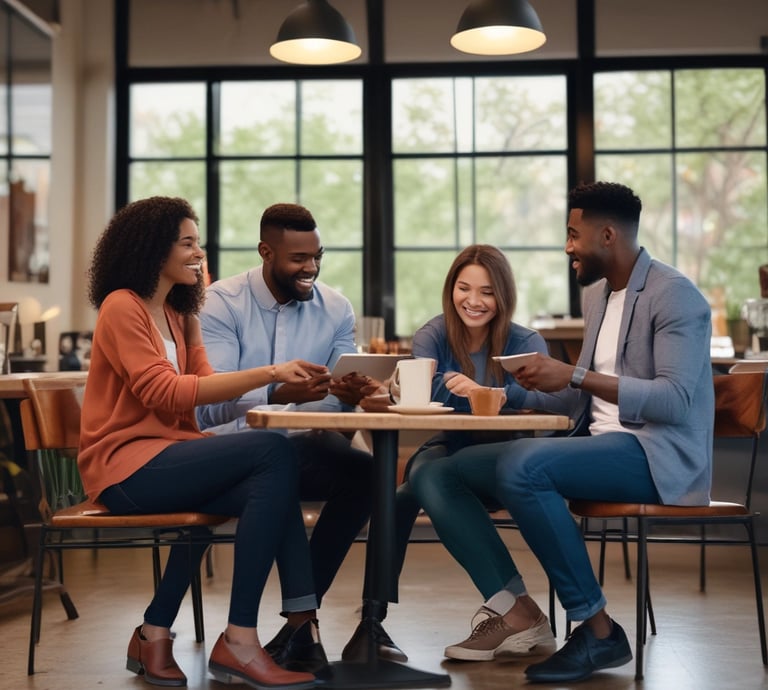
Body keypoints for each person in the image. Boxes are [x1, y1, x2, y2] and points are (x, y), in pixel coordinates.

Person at [79, 196, 327, 689]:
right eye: (188, 243)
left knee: (270, 485)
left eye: (200, 243)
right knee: (273, 452)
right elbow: (164, 393)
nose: (199, 253)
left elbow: (206, 397)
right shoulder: (120, 307)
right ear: (154, 250)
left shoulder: (180, 312)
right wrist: (270, 372)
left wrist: (279, 391)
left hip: (169, 456)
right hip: (125, 469)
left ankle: (158, 633)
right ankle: (242, 640)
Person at [485, 181, 714, 683]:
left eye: (573, 234)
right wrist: (514, 391)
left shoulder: (676, 296)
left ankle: (599, 631)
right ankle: (522, 609)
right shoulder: (598, 298)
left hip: (658, 456)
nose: (567, 245)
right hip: (601, 444)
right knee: (466, 466)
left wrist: (570, 373)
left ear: (607, 234)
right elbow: (581, 398)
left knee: (522, 466)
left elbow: (675, 401)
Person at [196, 202, 405, 670]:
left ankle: (299, 624)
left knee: (370, 474)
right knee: (277, 461)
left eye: (317, 256)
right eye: (298, 259)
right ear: (266, 252)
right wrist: (276, 389)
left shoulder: (336, 308)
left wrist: (350, 394)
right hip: (231, 452)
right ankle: (300, 623)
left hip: (301, 446)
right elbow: (208, 405)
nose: (310, 267)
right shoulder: (220, 304)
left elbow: (331, 408)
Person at [382, 244, 557, 661]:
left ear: (503, 296)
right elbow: (422, 387)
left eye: (487, 292)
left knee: (420, 483)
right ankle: (375, 620)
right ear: (451, 289)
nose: (473, 301)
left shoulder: (525, 342)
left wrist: (491, 393)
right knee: (404, 493)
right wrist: (480, 393)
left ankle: (516, 612)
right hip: (449, 446)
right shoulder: (434, 333)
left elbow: (556, 400)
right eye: (464, 288)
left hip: (508, 455)